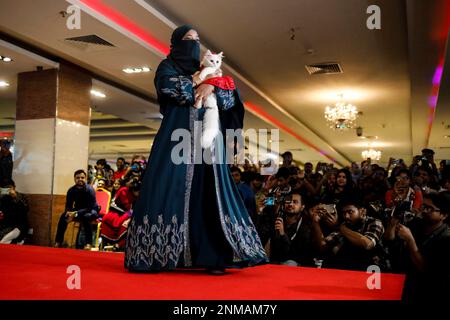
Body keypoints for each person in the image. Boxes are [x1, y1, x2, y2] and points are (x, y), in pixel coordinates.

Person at [125, 25, 267, 274]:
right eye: (188, 39)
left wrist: (213, 85)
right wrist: (201, 79)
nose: (194, 43)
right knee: (168, 189)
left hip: (208, 145)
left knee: (208, 193)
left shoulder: (214, 73)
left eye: (197, 39)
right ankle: (160, 254)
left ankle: (213, 257)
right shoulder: (166, 66)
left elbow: (230, 100)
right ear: (175, 43)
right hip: (175, 141)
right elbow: (172, 90)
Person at [54, 170, 99, 249]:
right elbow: (68, 205)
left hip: (91, 210)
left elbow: (89, 207)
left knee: (86, 216)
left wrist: (76, 213)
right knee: (63, 216)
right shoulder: (71, 190)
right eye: (78, 178)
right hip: (77, 210)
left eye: (82, 177)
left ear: (85, 178)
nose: (80, 179)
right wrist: (69, 213)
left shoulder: (90, 190)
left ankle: (88, 243)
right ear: (74, 179)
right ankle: (58, 242)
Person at [270, 192, 316, 267]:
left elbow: (296, 255)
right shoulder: (278, 220)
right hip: (277, 262)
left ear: (302, 207)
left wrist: (282, 234)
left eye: (295, 202)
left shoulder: (306, 226)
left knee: (290, 263)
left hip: (298, 265)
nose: (290, 204)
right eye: (288, 201)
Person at [0, 180, 28, 244]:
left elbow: (25, 209)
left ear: (14, 187)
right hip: (4, 224)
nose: (7, 190)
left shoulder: (21, 196)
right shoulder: (2, 197)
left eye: (9, 188)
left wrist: (16, 197)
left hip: (18, 225)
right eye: (5, 188)